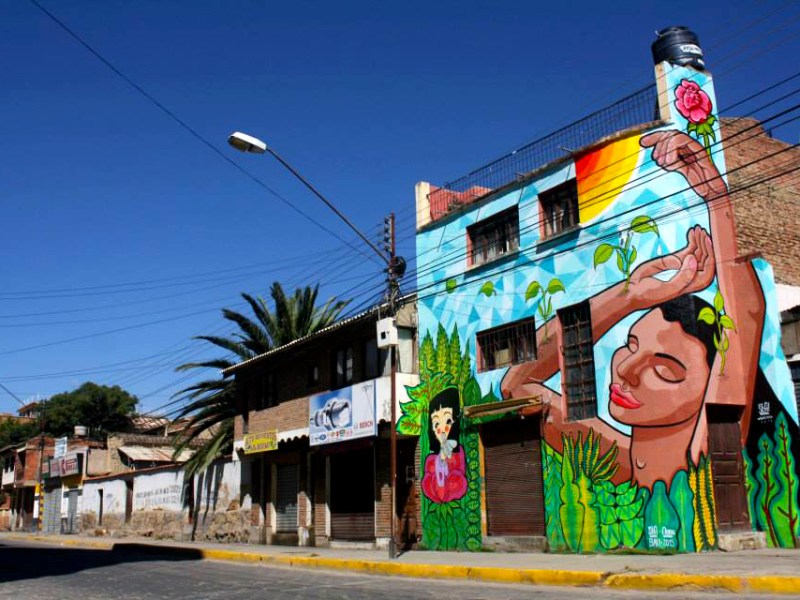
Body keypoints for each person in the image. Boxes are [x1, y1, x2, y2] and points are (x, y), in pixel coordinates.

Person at [502, 130, 765, 489]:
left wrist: (718, 202)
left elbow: (744, 316)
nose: (626, 369)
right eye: (630, 344)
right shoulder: (616, 461)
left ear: (710, 387)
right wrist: (631, 295)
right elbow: (517, 385)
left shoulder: (699, 456)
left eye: (664, 369)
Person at [421, 388, 468, 503]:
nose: (442, 428)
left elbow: (459, 482)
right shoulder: (430, 460)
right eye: (436, 423)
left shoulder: (458, 453)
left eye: (448, 421)